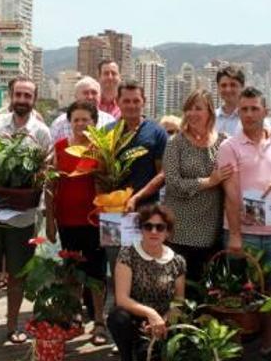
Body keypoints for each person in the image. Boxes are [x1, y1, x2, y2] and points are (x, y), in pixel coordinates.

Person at [217, 86, 271, 361]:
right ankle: (235, 350)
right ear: (238, 112)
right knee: (237, 293)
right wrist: (236, 234)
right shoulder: (229, 147)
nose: (249, 114)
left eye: (254, 108)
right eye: (244, 109)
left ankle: (268, 346)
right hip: (242, 232)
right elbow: (230, 194)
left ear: (266, 110)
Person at [0, 76, 51, 344]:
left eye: (28, 96)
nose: (22, 100)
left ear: (34, 100)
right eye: (19, 94)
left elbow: (45, 171)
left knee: (18, 272)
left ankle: (13, 326)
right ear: (11, 96)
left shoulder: (41, 131)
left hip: (23, 213)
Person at [45, 100, 108, 345]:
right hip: (66, 220)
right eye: (76, 120)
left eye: (86, 120)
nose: (81, 124)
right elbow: (50, 186)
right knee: (71, 271)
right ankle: (74, 316)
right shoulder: (60, 148)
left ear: (94, 122)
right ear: (69, 123)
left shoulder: (100, 149)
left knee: (97, 272)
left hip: (95, 221)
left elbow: (107, 183)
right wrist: (49, 221)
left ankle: (100, 321)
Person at [107, 204, 186, 361]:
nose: (154, 231)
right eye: (148, 226)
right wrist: (151, 314)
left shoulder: (177, 261)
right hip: (135, 316)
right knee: (118, 317)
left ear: (168, 232)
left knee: (153, 353)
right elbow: (122, 299)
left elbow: (179, 301)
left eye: (160, 227)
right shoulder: (128, 254)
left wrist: (164, 320)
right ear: (140, 229)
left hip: (163, 321)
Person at [163, 90, 231, 291]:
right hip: (180, 229)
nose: (192, 113)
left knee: (207, 285)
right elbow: (173, 183)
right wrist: (209, 182)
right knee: (181, 286)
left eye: (198, 108)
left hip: (212, 226)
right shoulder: (176, 143)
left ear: (210, 112)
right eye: (189, 109)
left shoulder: (223, 142)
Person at [110, 80, 168, 212]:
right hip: (114, 209)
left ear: (144, 101)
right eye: (126, 101)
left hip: (147, 210)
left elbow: (163, 174)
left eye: (136, 101)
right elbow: (100, 173)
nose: (131, 106)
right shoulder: (107, 134)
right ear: (117, 101)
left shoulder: (157, 132)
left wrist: (136, 198)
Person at [48, 76, 115, 143]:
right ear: (76, 96)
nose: (90, 97)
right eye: (85, 93)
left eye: (94, 93)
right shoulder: (59, 124)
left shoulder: (109, 121)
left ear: (100, 96)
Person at [214, 64, 245, 137]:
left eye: (233, 85)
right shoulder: (210, 118)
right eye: (223, 85)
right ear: (218, 88)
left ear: (242, 87)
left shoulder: (252, 118)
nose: (228, 89)